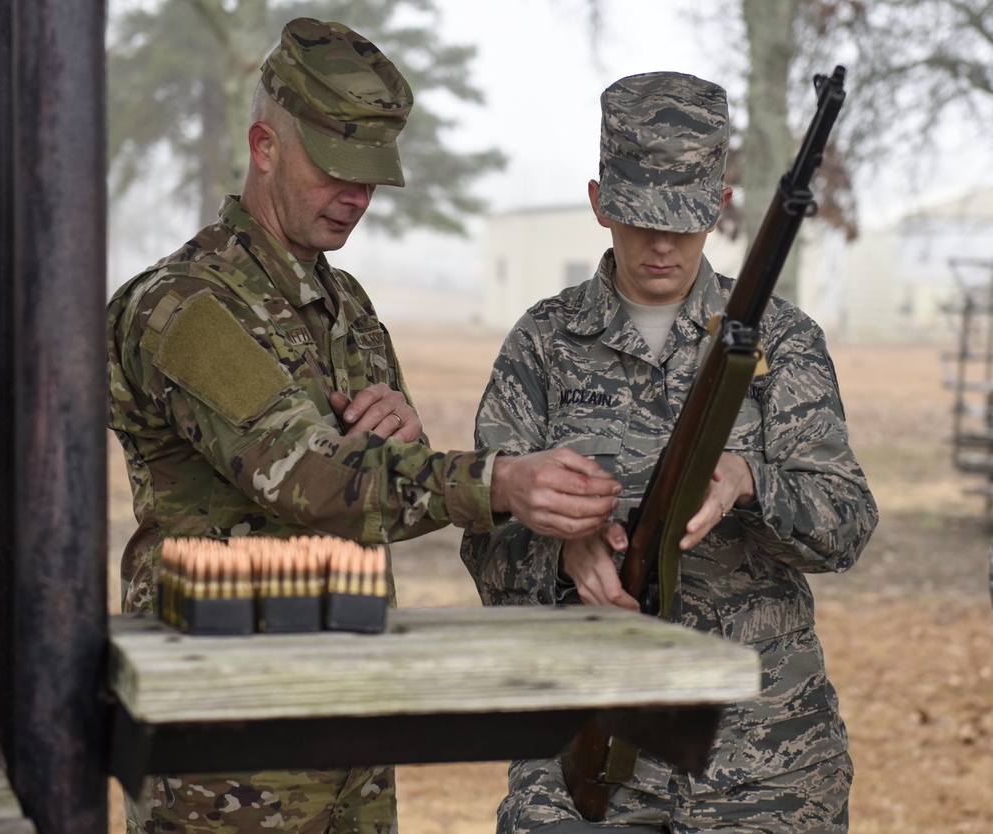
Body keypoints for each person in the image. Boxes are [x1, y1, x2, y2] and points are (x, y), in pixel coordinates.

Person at [106, 18, 622, 834]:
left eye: (373, 175)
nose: (358, 195)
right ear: (264, 145)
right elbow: (311, 481)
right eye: (336, 169)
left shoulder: (346, 308)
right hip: (228, 755)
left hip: (349, 731)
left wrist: (408, 449)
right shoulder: (186, 308)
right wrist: (496, 481)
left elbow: (386, 493)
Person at [460, 71, 879, 833]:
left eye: (684, 220)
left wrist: (753, 481)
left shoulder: (781, 343)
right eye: (636, 216)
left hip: (768, 764)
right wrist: (562, 554)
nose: (660, 242)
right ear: (597, 202)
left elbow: (846, 523)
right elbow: (483, 535)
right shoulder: (543, 343)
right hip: (580, 756)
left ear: (720, 209)